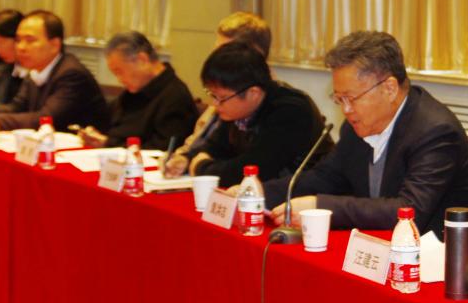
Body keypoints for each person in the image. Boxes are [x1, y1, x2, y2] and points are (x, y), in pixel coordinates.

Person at [267, 30, 468, 235]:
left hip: (444, 252)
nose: (346, 110)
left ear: (389, 88)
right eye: (339, 99)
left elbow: (408, 211)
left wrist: (321, 206)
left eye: (351, 98)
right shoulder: (356, 127)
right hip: (382, 247)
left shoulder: (435, 131)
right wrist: (259, 193)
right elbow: (325, 178)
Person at [173, 40, 332, 187]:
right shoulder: (237, 108)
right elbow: (215, 147)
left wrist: (201, 167)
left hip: (298, 196)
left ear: (253, 93)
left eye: (221, 97)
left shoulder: (291, 111)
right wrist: (186, 159)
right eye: (212, 95)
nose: (215, 104)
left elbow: (252, 172)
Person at [164, 12, 274, 172]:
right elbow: (209, 143)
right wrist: (184, 158)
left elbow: (253, 166)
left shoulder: (261, 100)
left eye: (226, 51)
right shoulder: (227, 95)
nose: (217, 58)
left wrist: (200, 166)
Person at [77, 31, 198, 150]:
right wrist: (94, 134)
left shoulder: (175, 96)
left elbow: (162, 150)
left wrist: (109, 144)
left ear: (142, 60)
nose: (119, 80)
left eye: (119, 72)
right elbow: (109, 124)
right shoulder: (135, 90)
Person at [0, 10, 109, 131]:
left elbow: (45, 119)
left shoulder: (71, 74)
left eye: (30, 40)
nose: (21, 47)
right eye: (18, 40)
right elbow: (17, 108)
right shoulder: (35, 70)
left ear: (55, 45)